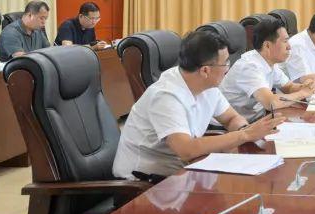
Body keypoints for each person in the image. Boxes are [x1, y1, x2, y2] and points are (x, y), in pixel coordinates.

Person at [112, 29, 284, 182]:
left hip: (181, 170)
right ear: (205, 70)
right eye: (225, 63)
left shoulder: (207, 86)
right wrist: (245, 135)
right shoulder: (166, 96)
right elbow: (186, 149)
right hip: (143, 181)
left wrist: (244, 129)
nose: (228, 68)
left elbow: (230, 118)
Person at [220, 17, 315, 122]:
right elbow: (271, 103)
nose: (289, 47)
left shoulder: (269, 62)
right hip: (230, 126)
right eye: (285, 41)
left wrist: (306, 86)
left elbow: (288, 87)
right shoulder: (250, 66)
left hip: (255, 119)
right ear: (267, 45)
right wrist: (303, 93)